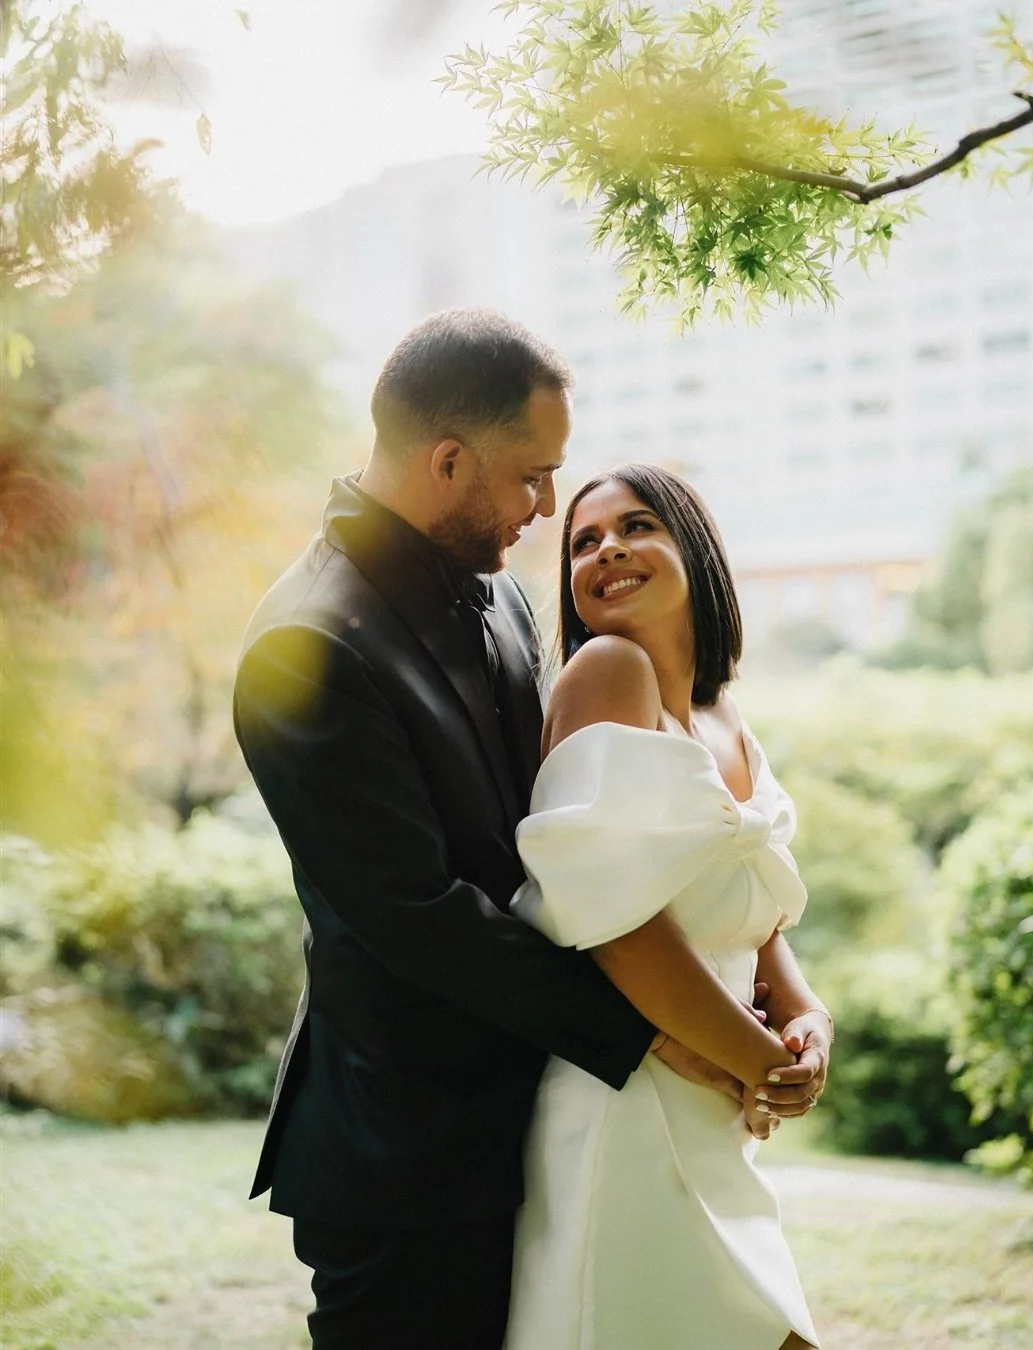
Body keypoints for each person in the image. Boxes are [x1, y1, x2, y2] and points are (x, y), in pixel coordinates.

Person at [233, 310, 784, 1350]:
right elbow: (417, 914)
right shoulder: (303, 646)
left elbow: (573, 840)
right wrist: (657, 1032)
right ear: (448, 460)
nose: (544, 510)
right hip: (408, 1157)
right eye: (533, 478)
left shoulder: (502, 603)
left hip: (546, 1120)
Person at [503, 463, 831, 1350]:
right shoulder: (607, 675)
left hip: (716, 1105)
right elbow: (615, 921)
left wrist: (805, 1015)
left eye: (637, 525)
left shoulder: (727, 719)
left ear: (694, 547)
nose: (608, 547)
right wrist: (758, 1060)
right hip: (630, 1103)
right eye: (583, 541)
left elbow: (747, 905)